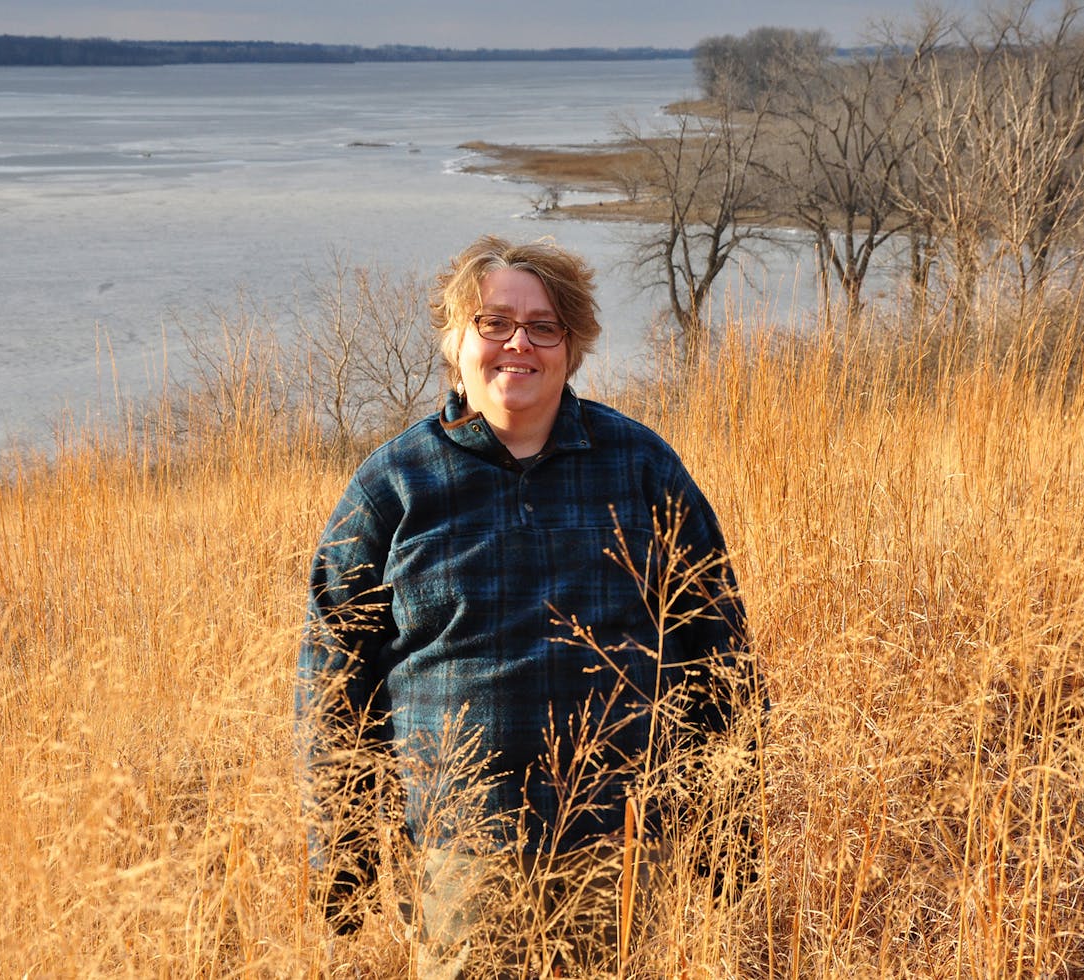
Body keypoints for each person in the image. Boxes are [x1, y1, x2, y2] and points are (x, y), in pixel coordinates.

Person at [298, 235, 765, 977]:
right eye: (494, 323)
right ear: (456, 341)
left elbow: (719, 651)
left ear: (571, 348)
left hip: (620, 845)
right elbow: (332, 681)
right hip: (459, 854)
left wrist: (727, 834)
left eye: (544, 327)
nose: (519, 343)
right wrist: (343, 854)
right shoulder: (392, 487)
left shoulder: (641, 466)